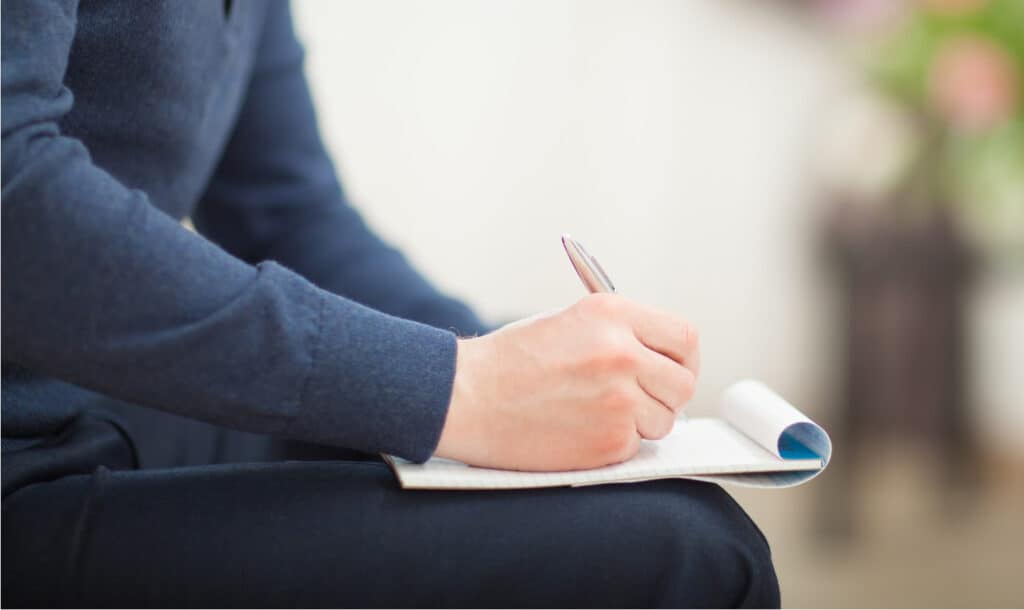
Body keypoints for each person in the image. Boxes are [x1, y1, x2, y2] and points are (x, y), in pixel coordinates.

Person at [0, 1, 780, 606]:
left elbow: (286, 212)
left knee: (665, 505)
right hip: (23, 467)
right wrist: (462, 389)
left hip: (103, 405)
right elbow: (14, 202)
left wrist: (508, 362)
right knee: (689, 556)